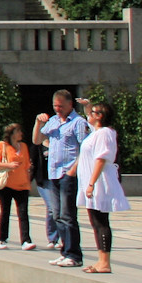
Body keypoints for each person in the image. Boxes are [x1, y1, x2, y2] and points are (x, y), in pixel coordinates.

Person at [35, 89, 90, 267]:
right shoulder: (53, 121)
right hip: (54, 172)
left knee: (68, 215)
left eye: (61, 106)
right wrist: (38, 122)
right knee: (57, 214)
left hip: (68, 172)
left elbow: (86, 147)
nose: (58, 109)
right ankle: (65, 250)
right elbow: (37, 140)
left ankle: (74, 254)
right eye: (55, 106)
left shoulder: (78, 122)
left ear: (69, 105)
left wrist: (74, 169)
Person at [78, 101, 130, 275]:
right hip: (92, 181)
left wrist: (92, 183)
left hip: (99, 181)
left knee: (101, 221)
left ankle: (105, 262)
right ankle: (101, 260)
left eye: (92, 113)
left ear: (99, 116)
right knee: (95, 222)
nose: (89, 115)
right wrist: (88, 106)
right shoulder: (97, 132)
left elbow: (101, 158)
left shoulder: (105, 133)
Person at [0, 122, 34, 250]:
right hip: (5, 185)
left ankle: (26, 240)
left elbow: (26, 165)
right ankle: (2, 239)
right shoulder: (2, 146)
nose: (21, 133)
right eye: (18, 131)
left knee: (23, 212)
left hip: (22, 184)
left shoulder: (24, 146)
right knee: (5, 211)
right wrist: (9, 166)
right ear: (12, 134)